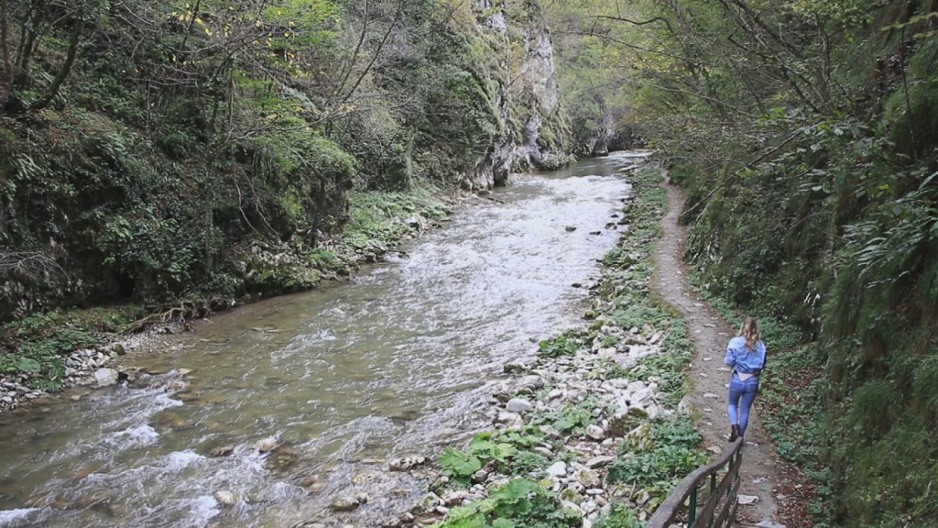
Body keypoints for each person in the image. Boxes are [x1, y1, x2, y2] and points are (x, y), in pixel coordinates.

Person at [724, 317, 767, 442]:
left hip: (737, 378)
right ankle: (740, 438)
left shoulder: (735, 342)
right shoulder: (761, 346)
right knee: (745, 410)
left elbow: (729, 361)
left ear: (743, 328)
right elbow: (763, 365)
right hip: (753, 380)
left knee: (732, 404)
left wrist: (736, 365)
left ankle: (734, 428)